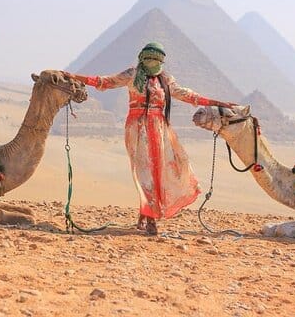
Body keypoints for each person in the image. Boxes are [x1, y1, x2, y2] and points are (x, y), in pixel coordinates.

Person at [66, 42, 236, 235]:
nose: (152, 62)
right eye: (149, 58)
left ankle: (144, 213)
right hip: (138, 129)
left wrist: (218, 103)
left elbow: (189, 96)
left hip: (160, 129)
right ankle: (152, 219)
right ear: (142, 58)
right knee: (144, 171)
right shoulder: (131, 74)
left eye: (156, 59)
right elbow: (103, 82)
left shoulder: (165, 80)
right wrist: (74, 76)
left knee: (160, 171)